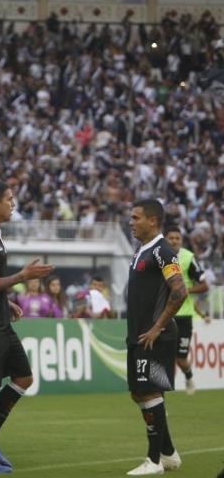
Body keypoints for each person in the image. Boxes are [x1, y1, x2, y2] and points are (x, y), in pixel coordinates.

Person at [0, 180, 54, 472]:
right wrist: (23, 276)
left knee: (23, 377)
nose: (13, 204)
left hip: (1, 320)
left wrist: (5, 301)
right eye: (9, 199)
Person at [125, 199, 186, 476]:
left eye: (136, 218)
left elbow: (179, 291)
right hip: (141, 335)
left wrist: (158, 327)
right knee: (142, 393)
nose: (131, 222)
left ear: (152, 221)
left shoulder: (163, 251)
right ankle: (169, 453)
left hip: (155, 336)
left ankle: (154, 461)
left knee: (148, 391)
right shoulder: (142, 250)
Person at [163, 224, 209, 395]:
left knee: (180, 358)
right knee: (163, 356)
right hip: (163, 316)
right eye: (171, 238)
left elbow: (204, 285)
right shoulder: (158, 258)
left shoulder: (188, 258)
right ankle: (162, 391)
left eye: (177, 238)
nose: (174, 241)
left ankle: (189, 376)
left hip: (183, 316)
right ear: (165, 240)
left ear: (181, 240)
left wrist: (185, 291)